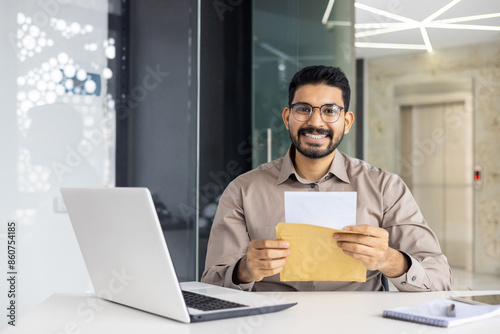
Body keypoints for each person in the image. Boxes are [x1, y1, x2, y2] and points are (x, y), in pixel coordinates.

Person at [201, 65, 452, 292]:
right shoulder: (243, 190)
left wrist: (389, 260)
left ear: (347, 121)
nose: (315, 122)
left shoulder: (386, 187)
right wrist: (244, 270)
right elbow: (211, 284)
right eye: (303, 109)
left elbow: (440, 280)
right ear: (288, 117)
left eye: (330, 111)